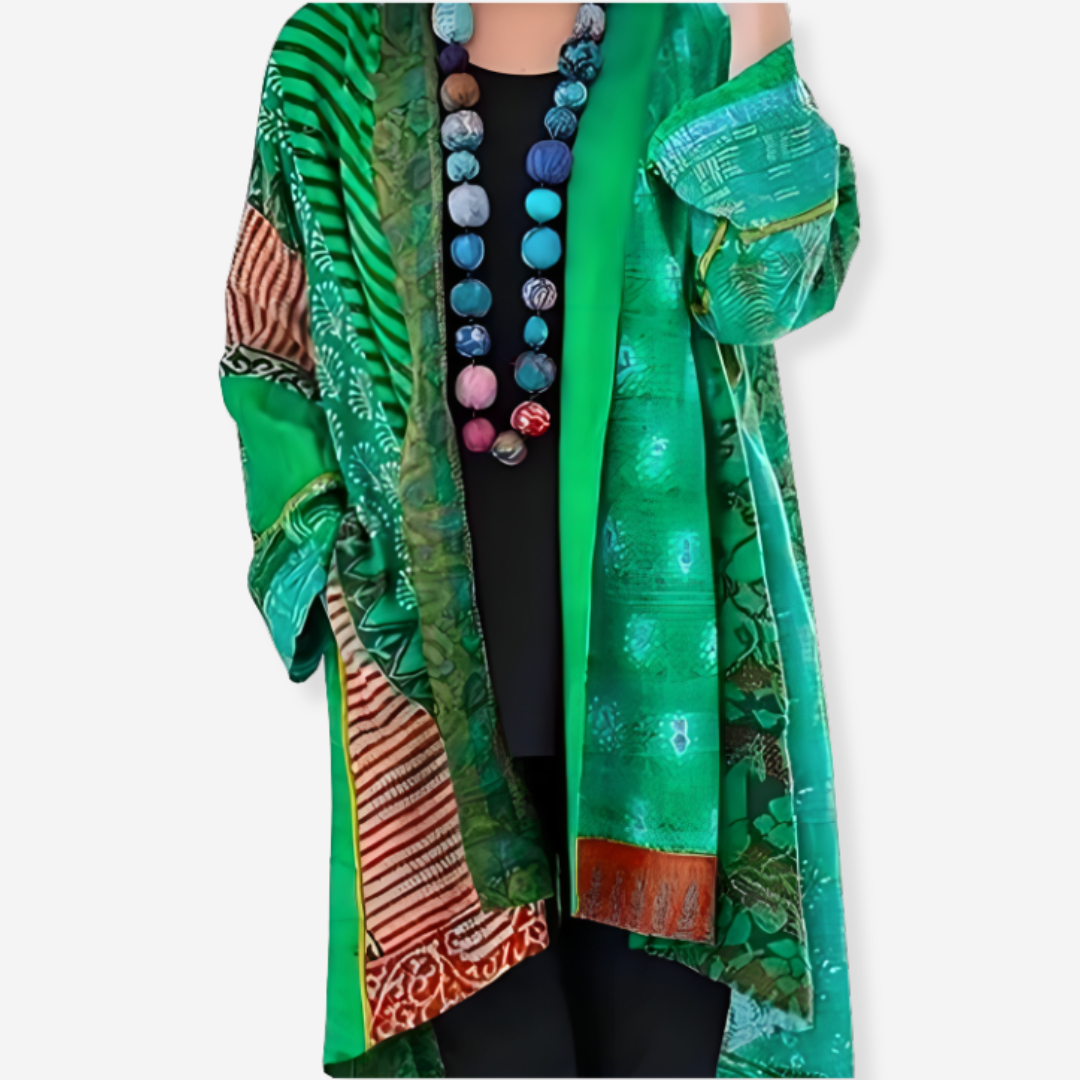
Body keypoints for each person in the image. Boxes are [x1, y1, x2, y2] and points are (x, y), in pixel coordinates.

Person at [219, 3, 859, 1076]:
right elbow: (267, 352)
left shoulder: (687, 41)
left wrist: (759, 17)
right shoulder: (330, 59)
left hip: (669, 727)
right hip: (433, 710)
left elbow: (769, 292)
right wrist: (335, 574)